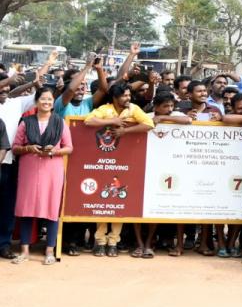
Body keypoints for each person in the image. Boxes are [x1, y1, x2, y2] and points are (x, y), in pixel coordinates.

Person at [83, 82, 155, 257]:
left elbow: (149, 124)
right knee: (102, 200)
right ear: (115, 98)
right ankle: (100, 241)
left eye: (129, 95)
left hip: (124, 163)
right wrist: (112, 121)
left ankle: (114, 241)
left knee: (118, 202)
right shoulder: (105, 109)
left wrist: (126, 132)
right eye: (124, 96)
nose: (128, 98)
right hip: (102, 162)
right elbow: (88, 120)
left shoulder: (134, 109)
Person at [9, 87, 72, 265]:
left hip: (52, 170)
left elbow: (69, 147)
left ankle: (49, 251)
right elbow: (15, 147)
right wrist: (28, 148)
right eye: (43, 99)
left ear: (53, 103)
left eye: (50, 100)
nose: (46, 102)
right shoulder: (26, 122)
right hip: (29, 169)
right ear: (37, 101)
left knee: (52, 210)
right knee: (26, 209)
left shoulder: (60, 123)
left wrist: (55, 151)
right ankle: (24, 251)